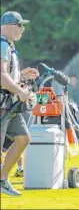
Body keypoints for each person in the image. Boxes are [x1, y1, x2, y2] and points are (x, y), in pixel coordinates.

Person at [0, 11, 39, 196]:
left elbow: (8, 75)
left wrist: (21, 76)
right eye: (19, 25)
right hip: (3, 103)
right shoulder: (2, 45)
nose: (23, 29)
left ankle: (2, 179)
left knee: (23, 138)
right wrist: (22, 92)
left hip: (9, 103)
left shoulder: (9, 46)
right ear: (8, 26)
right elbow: (1, 76)